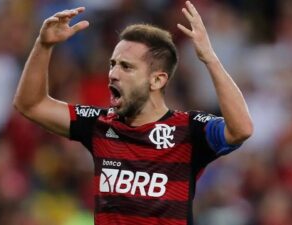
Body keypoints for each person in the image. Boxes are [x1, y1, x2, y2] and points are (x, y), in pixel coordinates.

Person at [13, 1, 253, 224]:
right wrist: (43, 45)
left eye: (126, 66)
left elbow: (241, 129)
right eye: (112, 64)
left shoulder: (189, 130)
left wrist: (210, 59)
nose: (113, 74)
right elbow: (30, 104)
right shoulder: (100, 125)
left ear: (157, 80)